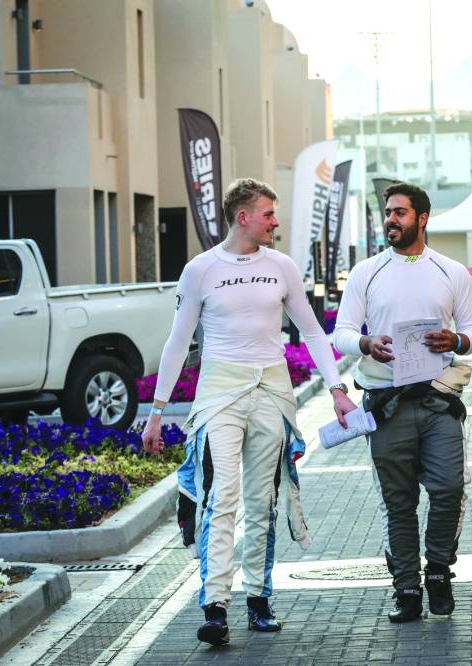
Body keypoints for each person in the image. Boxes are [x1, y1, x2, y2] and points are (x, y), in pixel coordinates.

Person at [142, 178, 357, 646]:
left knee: (263, 501)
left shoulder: (282, 266)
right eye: (268, 214)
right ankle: (214, 606)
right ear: (243, 217)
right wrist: (157, 411)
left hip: (273, 392)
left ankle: (258, 599)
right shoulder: (200, 269)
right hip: (220, 391)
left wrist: (338, 389)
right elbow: (179, 340)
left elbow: (313, 332)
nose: (275, 222)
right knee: (221, 498)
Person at [334, 182, 472, 623]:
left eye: (400, 212)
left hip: (438, 401)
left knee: (449, 489)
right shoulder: (367, 272)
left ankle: (438, 571)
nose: (390, 220)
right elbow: (341, 332)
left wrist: (455, 338)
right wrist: (365, 342)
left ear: (422, 218)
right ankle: (406, 588)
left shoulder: (451, 271)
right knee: (398, 503)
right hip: (385, 405)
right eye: (388, 212)